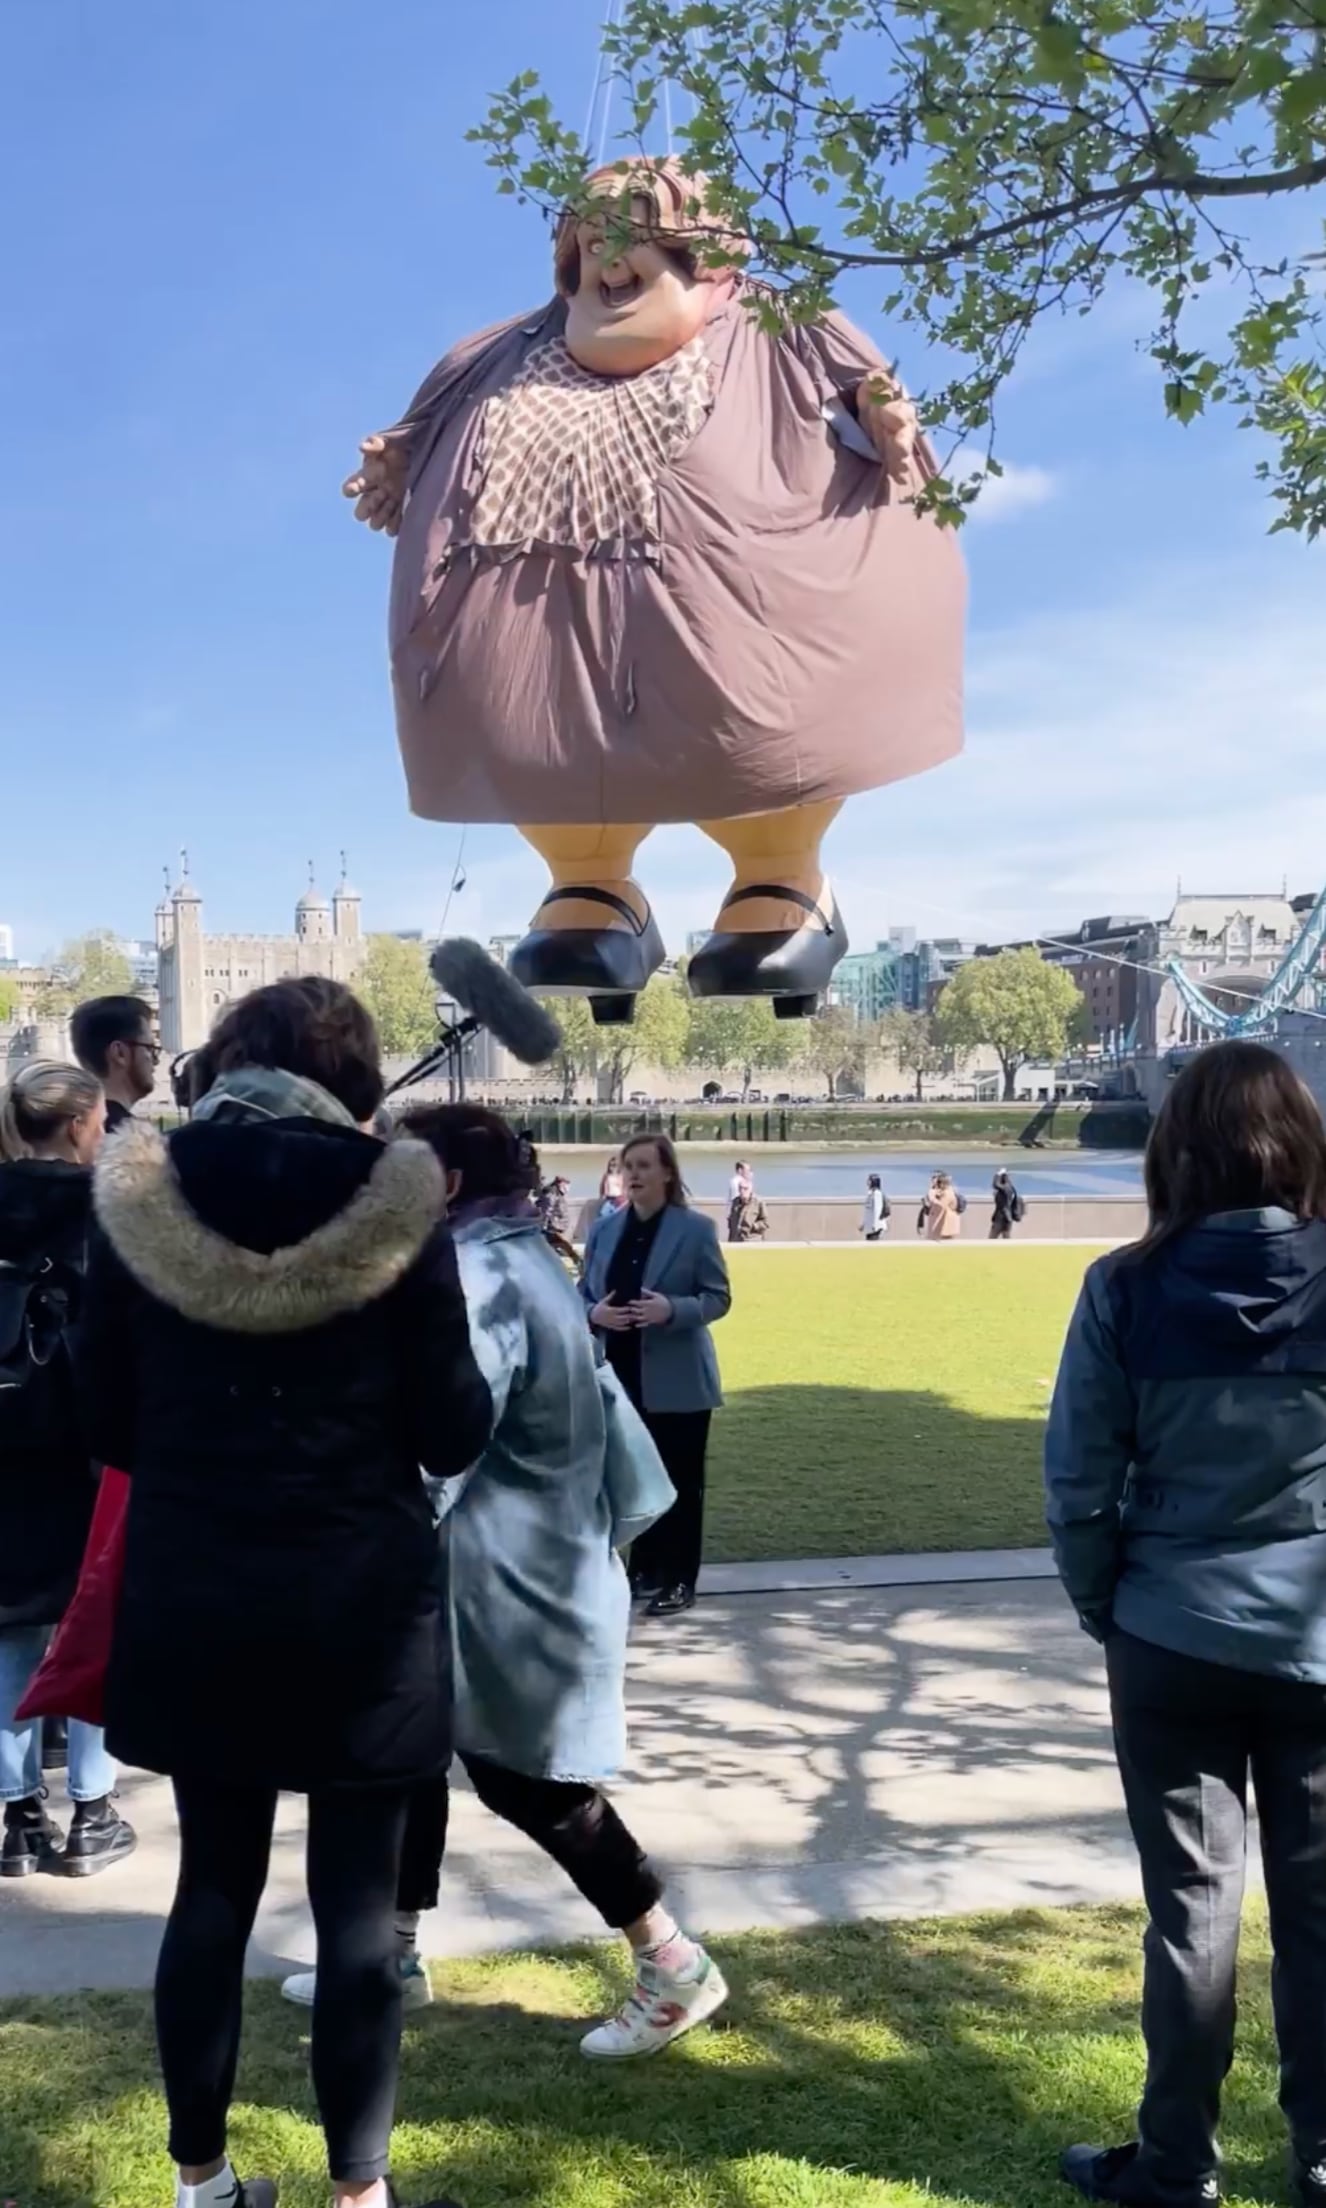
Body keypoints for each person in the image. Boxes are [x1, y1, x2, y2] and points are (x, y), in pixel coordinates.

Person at [79, 977, 491, 2208]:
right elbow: (453, 1426)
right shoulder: (396, 1200)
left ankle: (201, 2182)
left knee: (212, 1885)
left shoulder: (138, 1188)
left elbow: (104, 1417)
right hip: (361, 1596)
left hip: (199, 1584)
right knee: (358, 1915)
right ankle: (359, 2194)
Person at [282, 1104, 731, 2058]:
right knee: (425, 1753)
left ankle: (671, 1959)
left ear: (441, 1185)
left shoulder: (479, 1273)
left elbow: (445, 1442)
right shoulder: (525, 1259)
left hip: (511, 1575)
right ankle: (394, 1949)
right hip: (524, 1564)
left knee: (525, 1779)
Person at [1045, 1040, 1326, 2208]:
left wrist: (1107, 1601)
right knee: (1319, 1914)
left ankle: (1175, 2168)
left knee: (1191, 1913)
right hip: (1311, 1639)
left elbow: (1078, 1481)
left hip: (1172, 1631)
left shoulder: (1124, 1286)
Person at [0, 1061, 136, 1878]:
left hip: (3, 1440)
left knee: (10, 1631)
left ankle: (18, 1816)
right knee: (93, 1624)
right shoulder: (107, 1211)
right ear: (87, 1121)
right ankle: (91, 1807)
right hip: (84, 1444)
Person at [582, 1135, 731, 1617]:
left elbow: (717, 1297)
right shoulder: (604, 1230)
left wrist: (673, 1310)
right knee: (631, 1478)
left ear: (668, 1172)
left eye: (644, 1165)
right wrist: (593, 1315)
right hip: (618, 1375)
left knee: (682, 1484)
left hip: (679, 1380)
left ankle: (679, 1578)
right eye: (628, 1166)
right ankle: (642, 1567)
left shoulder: (696, 1230)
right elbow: (581, 1291)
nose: (634, 1174)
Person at [70, 995, 158, 1134]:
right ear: (120, 1053)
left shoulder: (68, 1132)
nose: (155, 1061)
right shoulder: (133, 1145)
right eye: (149, 1048)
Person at [918, 1171, 962, 1240]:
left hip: (944, 1227)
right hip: (940, 1226)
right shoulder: (941, 1192)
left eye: (938, 1182)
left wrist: (932, 1197)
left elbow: (941, 1206)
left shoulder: (947, 1193)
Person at [991, 1169, 1023, 1240]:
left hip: (1002, 1217)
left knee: (993, 1236)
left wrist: (998, 1174)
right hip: (1008, 1217)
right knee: (1006, 1236)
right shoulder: (1011, 1189)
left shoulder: (1006, 1188)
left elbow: (995, 1185)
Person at [861, 1174, 890, 1242]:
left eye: (870, 1181)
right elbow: (867, 1212)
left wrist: (875, 1226)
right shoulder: (870, 1194)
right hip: (870, 1228)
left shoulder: (877, 1194)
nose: (868, 1183)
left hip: (876, 1228)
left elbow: (877, 1210)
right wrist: (863, 1224)